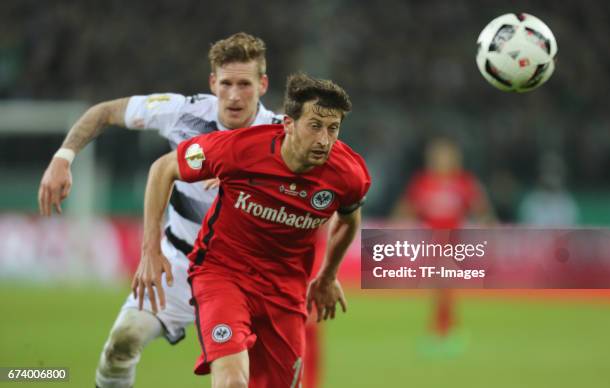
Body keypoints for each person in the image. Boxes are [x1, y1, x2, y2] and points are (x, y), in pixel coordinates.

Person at [38, 33, 329, 388]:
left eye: (245, 84)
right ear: (212, 83)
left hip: (250, 280)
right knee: (122, 344)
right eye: (226, 83)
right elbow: (104, 112)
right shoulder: (183, 113)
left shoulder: (283, 138)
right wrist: (63, 157)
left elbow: (322, 201)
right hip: (179, 263)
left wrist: (317, 271)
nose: (234, 95)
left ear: (263, 84)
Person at [133, 73, 370, 387]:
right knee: (232, 381)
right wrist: (150, 250)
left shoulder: (348, 174)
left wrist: (327, 276)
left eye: (333, 128)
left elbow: (349, 218)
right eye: (315, 126)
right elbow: (164, 168)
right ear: (288, 123)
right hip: (223, 274)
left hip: (285, 290)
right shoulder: (239, 149)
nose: (324, 140)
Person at [393, 137, 495, 350]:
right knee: (439, 288)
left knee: (443, 286)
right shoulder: (422, 182)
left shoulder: (463, 182)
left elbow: (480, 207)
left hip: (453, 243)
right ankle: (444, 329)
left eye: (445, 156)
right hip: (430, 242)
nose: (440, 160)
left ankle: (444, 330)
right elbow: (407, 208)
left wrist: (489, 226)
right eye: (437, 156)